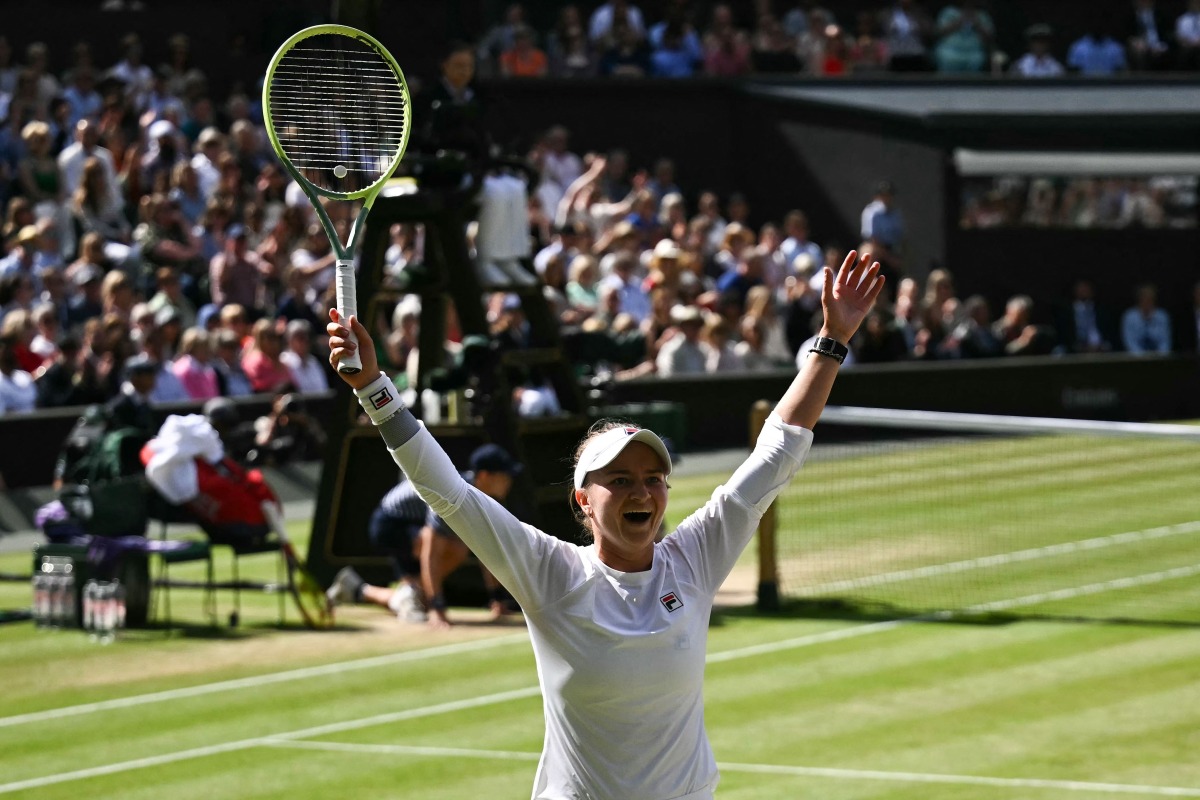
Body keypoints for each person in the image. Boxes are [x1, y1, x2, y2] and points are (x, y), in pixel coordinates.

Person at [324, 249, 883, 799]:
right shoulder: (550, 572)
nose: (640, 490)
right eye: (618, 479)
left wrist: (831, 342)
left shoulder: (696, 557)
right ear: (583, 501)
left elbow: (777, 452)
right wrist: (376, 389)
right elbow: (447, 493)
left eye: (652, 477)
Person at [326, 443, 523, 628]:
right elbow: (431, 553)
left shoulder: (480, 499)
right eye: (504, 475)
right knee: (455, 548)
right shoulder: (452, 493)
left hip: (412, 524)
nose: (510, 480)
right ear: (485, 476)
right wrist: (436, 607)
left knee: (453, 551)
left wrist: (497, 599)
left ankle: (358, 589)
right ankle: (412, 598)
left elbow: (485, 550)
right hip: (390, 525)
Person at [1121, 284, 1172, 354]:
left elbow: (1165, 341)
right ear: (1139, 299)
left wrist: (1161, 356)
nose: (1147, 302)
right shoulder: (1130, 316)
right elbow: (1130, 341)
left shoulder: (1162, 316)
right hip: (1137, 358)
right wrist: (1142, 357)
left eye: (1149, 299)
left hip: (1159, 357)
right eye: (1144, 298)